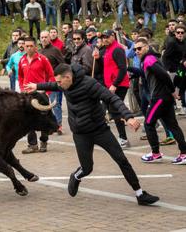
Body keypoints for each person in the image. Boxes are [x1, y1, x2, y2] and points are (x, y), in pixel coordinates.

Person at [25, 63, 160, 206]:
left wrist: (128, 116)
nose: (57, 85)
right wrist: (37, 86)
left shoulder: (90, 84)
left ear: (68, 77)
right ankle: (76, 176)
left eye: (59, 81)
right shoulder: (64, 83)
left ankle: (140, 194)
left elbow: (112, 98)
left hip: (99, 130)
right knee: (87, 168)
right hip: (80, 133)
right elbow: (52, 85)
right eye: (57, 81)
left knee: (122, 160)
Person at [134, 38, 186, 164]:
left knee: (148, 123)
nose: (137, 51)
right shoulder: (149, 59)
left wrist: (173, 90)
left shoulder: (149, 59)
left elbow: (163, 74)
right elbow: (148, 72)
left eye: (139, 48)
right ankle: (184, 154)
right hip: (164, 97)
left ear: (146, 47)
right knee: (172, 125)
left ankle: (155, 153)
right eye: (135, 49)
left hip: (159, 98)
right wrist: (131, 70)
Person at [18, 37, 54, 153]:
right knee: (28, 120)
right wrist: (22, 87)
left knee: (43, 119)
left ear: (35, 46)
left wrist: (47, 92)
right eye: (26, 46)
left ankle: (44, 141)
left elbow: (51, 75)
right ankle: (32, 145)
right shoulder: (22, 60)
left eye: (31, 46)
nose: (28, 48)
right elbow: (20, 76)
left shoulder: (42, 59)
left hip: (41, 93)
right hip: (27, 94)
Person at [96, 30, 131, 148]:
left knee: (115, 110)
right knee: (112, 110)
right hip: (110, 85)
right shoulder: (107, 50)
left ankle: (123, 138)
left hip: (119, 85)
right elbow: (107, 66)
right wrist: (98, 58)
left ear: (113, 36)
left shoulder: (117, 49)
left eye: (106, 37)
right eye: (103, 37)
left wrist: (115, 84)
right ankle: (122, 137)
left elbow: (122, 69)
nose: (104, 39)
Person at [39, 31, 65, 134]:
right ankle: (48, 125)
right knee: (43, 104)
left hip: (54, 82)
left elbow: (63, 65)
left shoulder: (55, 50)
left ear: (49, 38)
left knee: (55, 104)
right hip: (42, 82)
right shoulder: (39, 51)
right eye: (42, 37)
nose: (44, 39)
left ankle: (58, 125)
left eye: (46, 37)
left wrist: (59, 78)